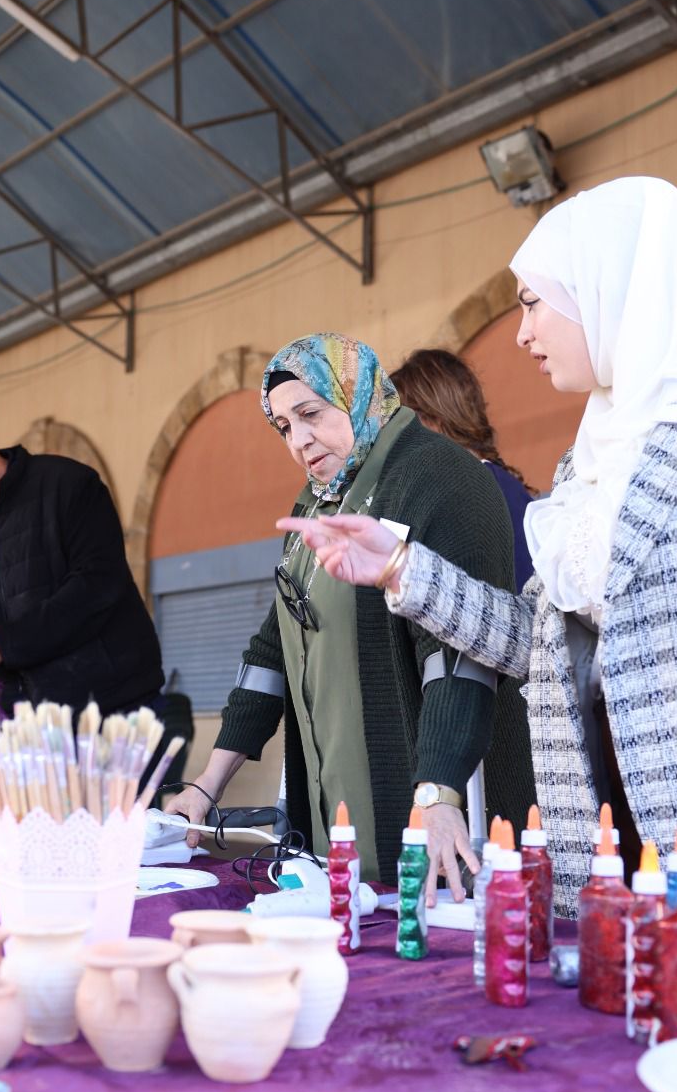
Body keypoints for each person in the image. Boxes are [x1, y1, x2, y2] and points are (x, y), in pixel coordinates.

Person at [277, 178, 677, 932]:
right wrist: (401, 567)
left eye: (534, 303)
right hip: (611, 837)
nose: (522, 333)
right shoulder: (588, 462)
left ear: (607, 286)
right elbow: (536, 644)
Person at [165, 333, 534, 900]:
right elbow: (273, 651)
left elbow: (457, 658)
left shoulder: (440, 475)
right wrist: (207, 785)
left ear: (356, 393)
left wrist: (439, 794)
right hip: (332, 822)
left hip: (438, 815)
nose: (298, 440)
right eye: (284, 427)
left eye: (310, 414)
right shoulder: (318, 503)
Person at [0, 397, 163, 716]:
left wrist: (4, 643)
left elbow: (98, 586)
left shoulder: (69, 485)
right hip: (18, 728)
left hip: (115, 712)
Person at [390, 348, 535, 590]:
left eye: (402, 423)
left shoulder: (481, 490)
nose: (396, 440)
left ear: (435, 418)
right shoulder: (485, 485)